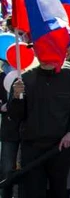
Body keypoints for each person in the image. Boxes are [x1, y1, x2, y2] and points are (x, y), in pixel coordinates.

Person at [9, 58, 70, 198]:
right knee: (32, 190)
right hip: (32, 145)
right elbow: (16, 116)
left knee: (59, 189)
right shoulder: (25, 79)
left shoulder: (69, 77)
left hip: (60, 145)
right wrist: (16, 97)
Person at [0, 69, 19, 198]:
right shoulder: (2, 76)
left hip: (30, 131)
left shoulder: (32, 74)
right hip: (9, 130)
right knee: (7, 169)